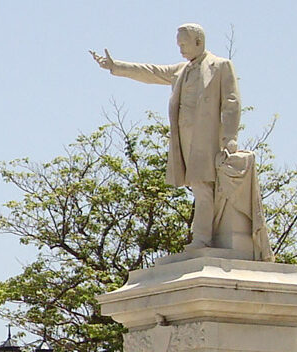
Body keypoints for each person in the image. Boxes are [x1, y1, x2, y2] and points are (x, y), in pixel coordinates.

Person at [91, 23, 266, 259]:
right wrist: (116, 66)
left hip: (208, 138)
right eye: (179, 45)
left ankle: (203, 239)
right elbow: (151, 72)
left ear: (198, 42)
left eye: (184, 44)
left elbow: (232, 102)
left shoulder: (221, 66)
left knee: (203, 187)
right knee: (198, 187)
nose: (181, 50)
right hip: (185, 139)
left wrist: (230, 137)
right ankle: (205, 237)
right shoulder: (182, 70)